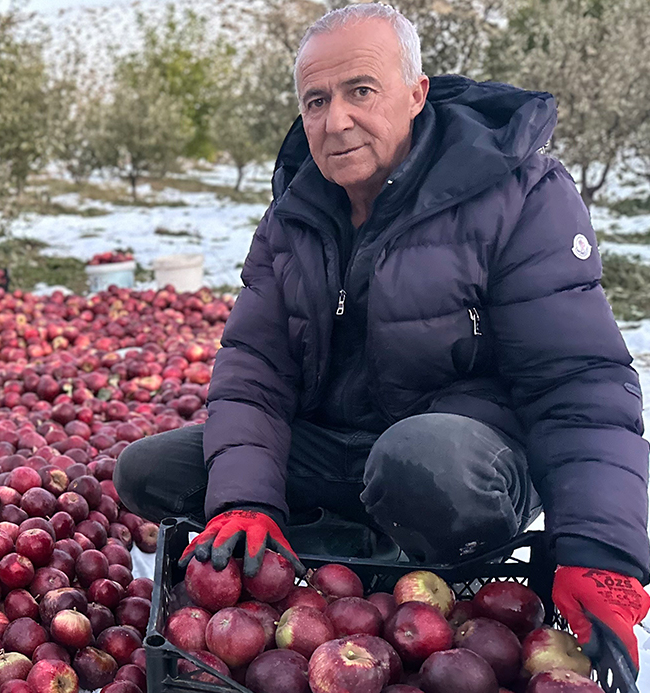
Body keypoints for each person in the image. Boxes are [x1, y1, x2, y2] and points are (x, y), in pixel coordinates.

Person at [114, 2, 650, 668]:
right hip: (344, 451)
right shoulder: (296, 213)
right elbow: (253, 368)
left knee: (415, 462)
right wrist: (246, 498)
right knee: (150, 470)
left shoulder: (518, 193)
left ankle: (428, 557)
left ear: (416, 92)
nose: (335, 120)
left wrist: (602, 550)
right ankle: (342, 558)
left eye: (360, 91)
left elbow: (579, 381)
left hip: (466, 459)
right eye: (315, 101)